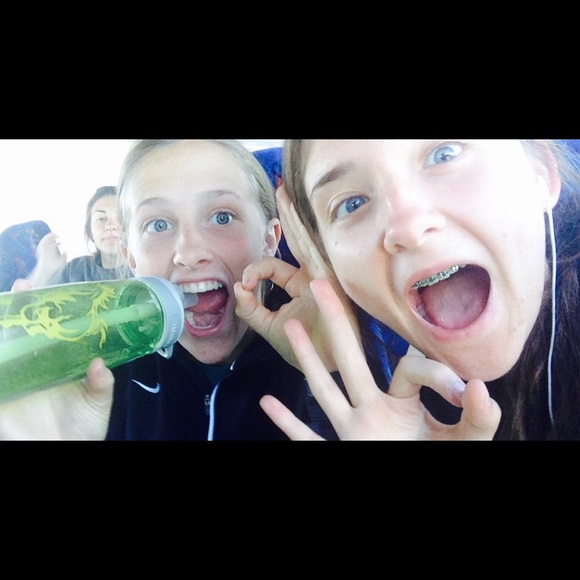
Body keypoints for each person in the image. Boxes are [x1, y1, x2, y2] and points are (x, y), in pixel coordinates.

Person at [236, 139, 580, 441]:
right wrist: (340, 359)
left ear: (543, 174)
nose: (407, 228)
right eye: (351, 203)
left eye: (445, 154)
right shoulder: (405, 396)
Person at [0, 139, 334, 441]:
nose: (188, 252)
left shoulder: (330, 349)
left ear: (269, 240)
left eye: (221, 217)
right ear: (131, 258)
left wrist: (330, 372)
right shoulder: (99, 378)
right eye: (158, 224)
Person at [46, 185, 131, 285]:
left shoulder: (144, 269)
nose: (110, 226)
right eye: (101, 219)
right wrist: (43, 272)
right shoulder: (73, 272)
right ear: (90, 231)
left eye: (120, 217)